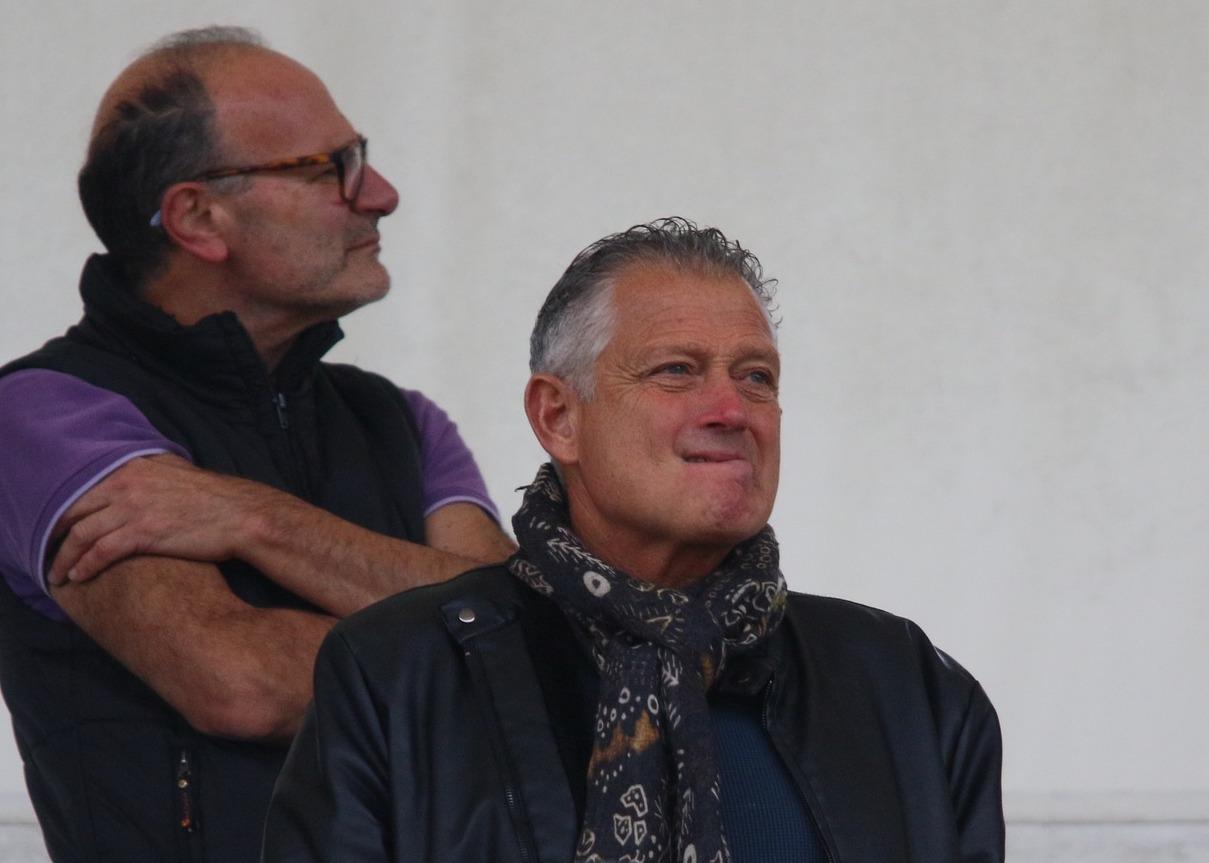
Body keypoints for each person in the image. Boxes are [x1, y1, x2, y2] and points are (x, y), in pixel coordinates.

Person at [261, 217, 1005, 863]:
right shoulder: (397, 672)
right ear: (558, 417)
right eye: (676, 370)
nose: (731, 410)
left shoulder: (907, 688)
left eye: (756, 377)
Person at [0, 26, 515, 863]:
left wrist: (254, 519)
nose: (381, 194)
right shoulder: (42, 413)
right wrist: (468, 654)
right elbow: (239, 682)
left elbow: (529, 635)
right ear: (199, 217)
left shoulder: (402, 420)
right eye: (330, 167)